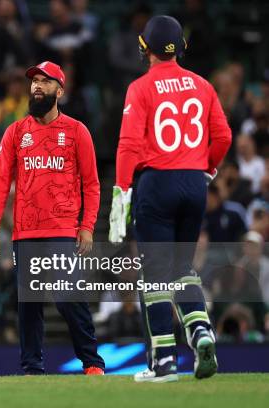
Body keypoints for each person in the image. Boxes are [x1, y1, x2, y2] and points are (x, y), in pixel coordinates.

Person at [109, 16, 232, 382]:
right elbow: (222, 136)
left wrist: (121, 189)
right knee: (183, 270)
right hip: (194, 185)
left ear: (144, 47)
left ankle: (163, 361)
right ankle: (200, 331)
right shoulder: (203, 85)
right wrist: (207, 170)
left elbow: (129, 145)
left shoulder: (141, 88)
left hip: (156, 184)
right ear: (181, 47)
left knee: (155, 276)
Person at [0, 61, 105, 376]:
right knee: (29, 305)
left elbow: (92, 184)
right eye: (34, 81)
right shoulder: (15, 132)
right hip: (25, 231)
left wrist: (88, 226)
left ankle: (92, 362)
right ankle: (32, 368)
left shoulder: (77, 131)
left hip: (63, 229)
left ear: (59, 91)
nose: (36, 86)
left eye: (45, 82)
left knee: (67, 297)